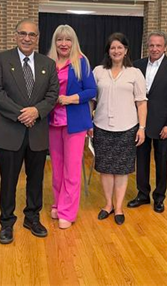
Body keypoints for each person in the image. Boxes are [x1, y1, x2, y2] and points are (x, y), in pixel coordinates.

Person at [0, 18, 59, 244]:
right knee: (8, 181)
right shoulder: (1, 59)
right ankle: (7, 222)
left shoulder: (47, 64)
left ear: (37, 38)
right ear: (15, 35)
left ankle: (32, 217)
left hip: (37, 132)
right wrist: (23, 113)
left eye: (32, 35)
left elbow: (52, 95)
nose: (27, 38)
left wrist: (36, 112)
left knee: (36, 180)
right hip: (10, 130)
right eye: (23, 33)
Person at [92, 32, 147, 225]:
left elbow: (141, 102)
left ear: (126, 51)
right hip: (101, 126)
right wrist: (89, 123)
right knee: (105, 169)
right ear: (108, 51)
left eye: (120, 48)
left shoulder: (135, 73)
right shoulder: (98, 71)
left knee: (122, 170)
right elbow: (91, 100)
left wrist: (142, 128)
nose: (116, 51)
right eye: (112, 47)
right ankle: (108, 205)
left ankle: (119, 207)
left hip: (127, 128)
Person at [127, 31, 167, 213]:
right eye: (151, 45)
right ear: (147, 46)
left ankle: (159, 197)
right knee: (141, 161)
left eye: (158, 45)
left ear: (165, 47)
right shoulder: (137, 65)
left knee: (162, 162)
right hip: (140, 124)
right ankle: (142, 194)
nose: (154, 48)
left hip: (163, 126)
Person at [47, 25, 96, 229]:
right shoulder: (48, 62)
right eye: (60, 39)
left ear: (73, 42)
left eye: (68, 39)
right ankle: (58, 203)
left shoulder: (81, 62)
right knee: (56, 168)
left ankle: (68, 211)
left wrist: (71, 99)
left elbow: (92, 90)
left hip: (75, 124)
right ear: (54, 42)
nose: (64, 44)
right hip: (52, 123)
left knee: (72, 169)